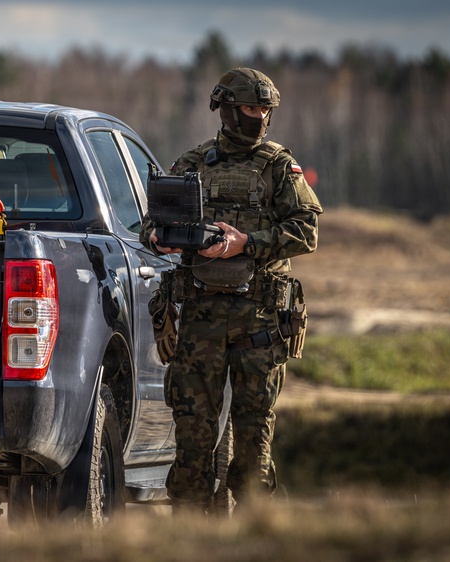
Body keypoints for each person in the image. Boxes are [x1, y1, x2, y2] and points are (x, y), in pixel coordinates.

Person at [140, 67, 322, 514]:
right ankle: (191, 525)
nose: (259, 117)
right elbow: (150, 224)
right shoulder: (194, 163)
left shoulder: (279, 166)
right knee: (193, 430)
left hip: (258, 319)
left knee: (254, 430)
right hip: (199, 317)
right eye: (249, 108)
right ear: (225, 109)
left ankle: (252, 523)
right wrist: (159, 238)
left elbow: (307, 230)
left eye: (265, 109)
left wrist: (246, 243)